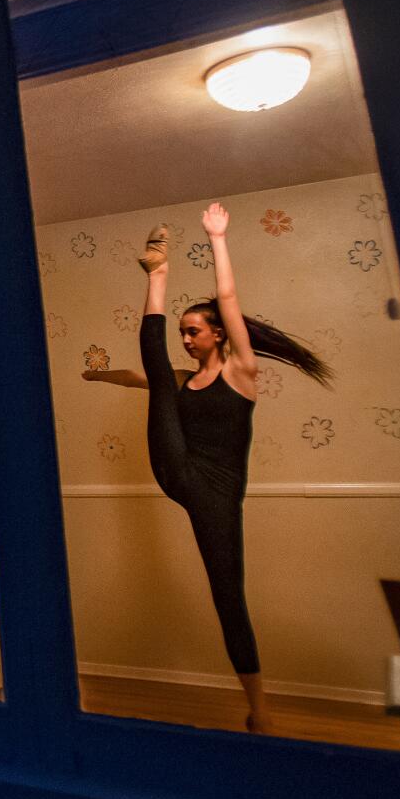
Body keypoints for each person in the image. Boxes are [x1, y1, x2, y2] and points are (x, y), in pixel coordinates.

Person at [82, 202, 332, 733]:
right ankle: (159, 273)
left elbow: (229, 299)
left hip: (217, 496)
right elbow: (140, 376)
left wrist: (217, 238)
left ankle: (259, 707)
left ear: (219, 335)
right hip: (177, 471)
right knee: (159, 377)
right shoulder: (181, 379)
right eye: (182, 332)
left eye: (194, 330)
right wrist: (101, 377)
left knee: (228, 594)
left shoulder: (243, 372)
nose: (187, 338)